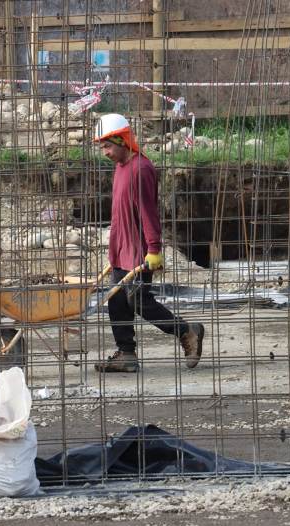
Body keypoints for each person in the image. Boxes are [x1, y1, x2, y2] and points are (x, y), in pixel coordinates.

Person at [92, 114, 204, 372]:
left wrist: (154, 249)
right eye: (102, 147)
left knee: (138, 300)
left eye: (108, 146)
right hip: (122, 247)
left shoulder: (140, 169)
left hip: (140, 249)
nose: (105, 152)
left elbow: (148, 212)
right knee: (117, 300)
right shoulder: (121, 167)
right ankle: (126, 354)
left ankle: (187, 330)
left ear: (122, 140)